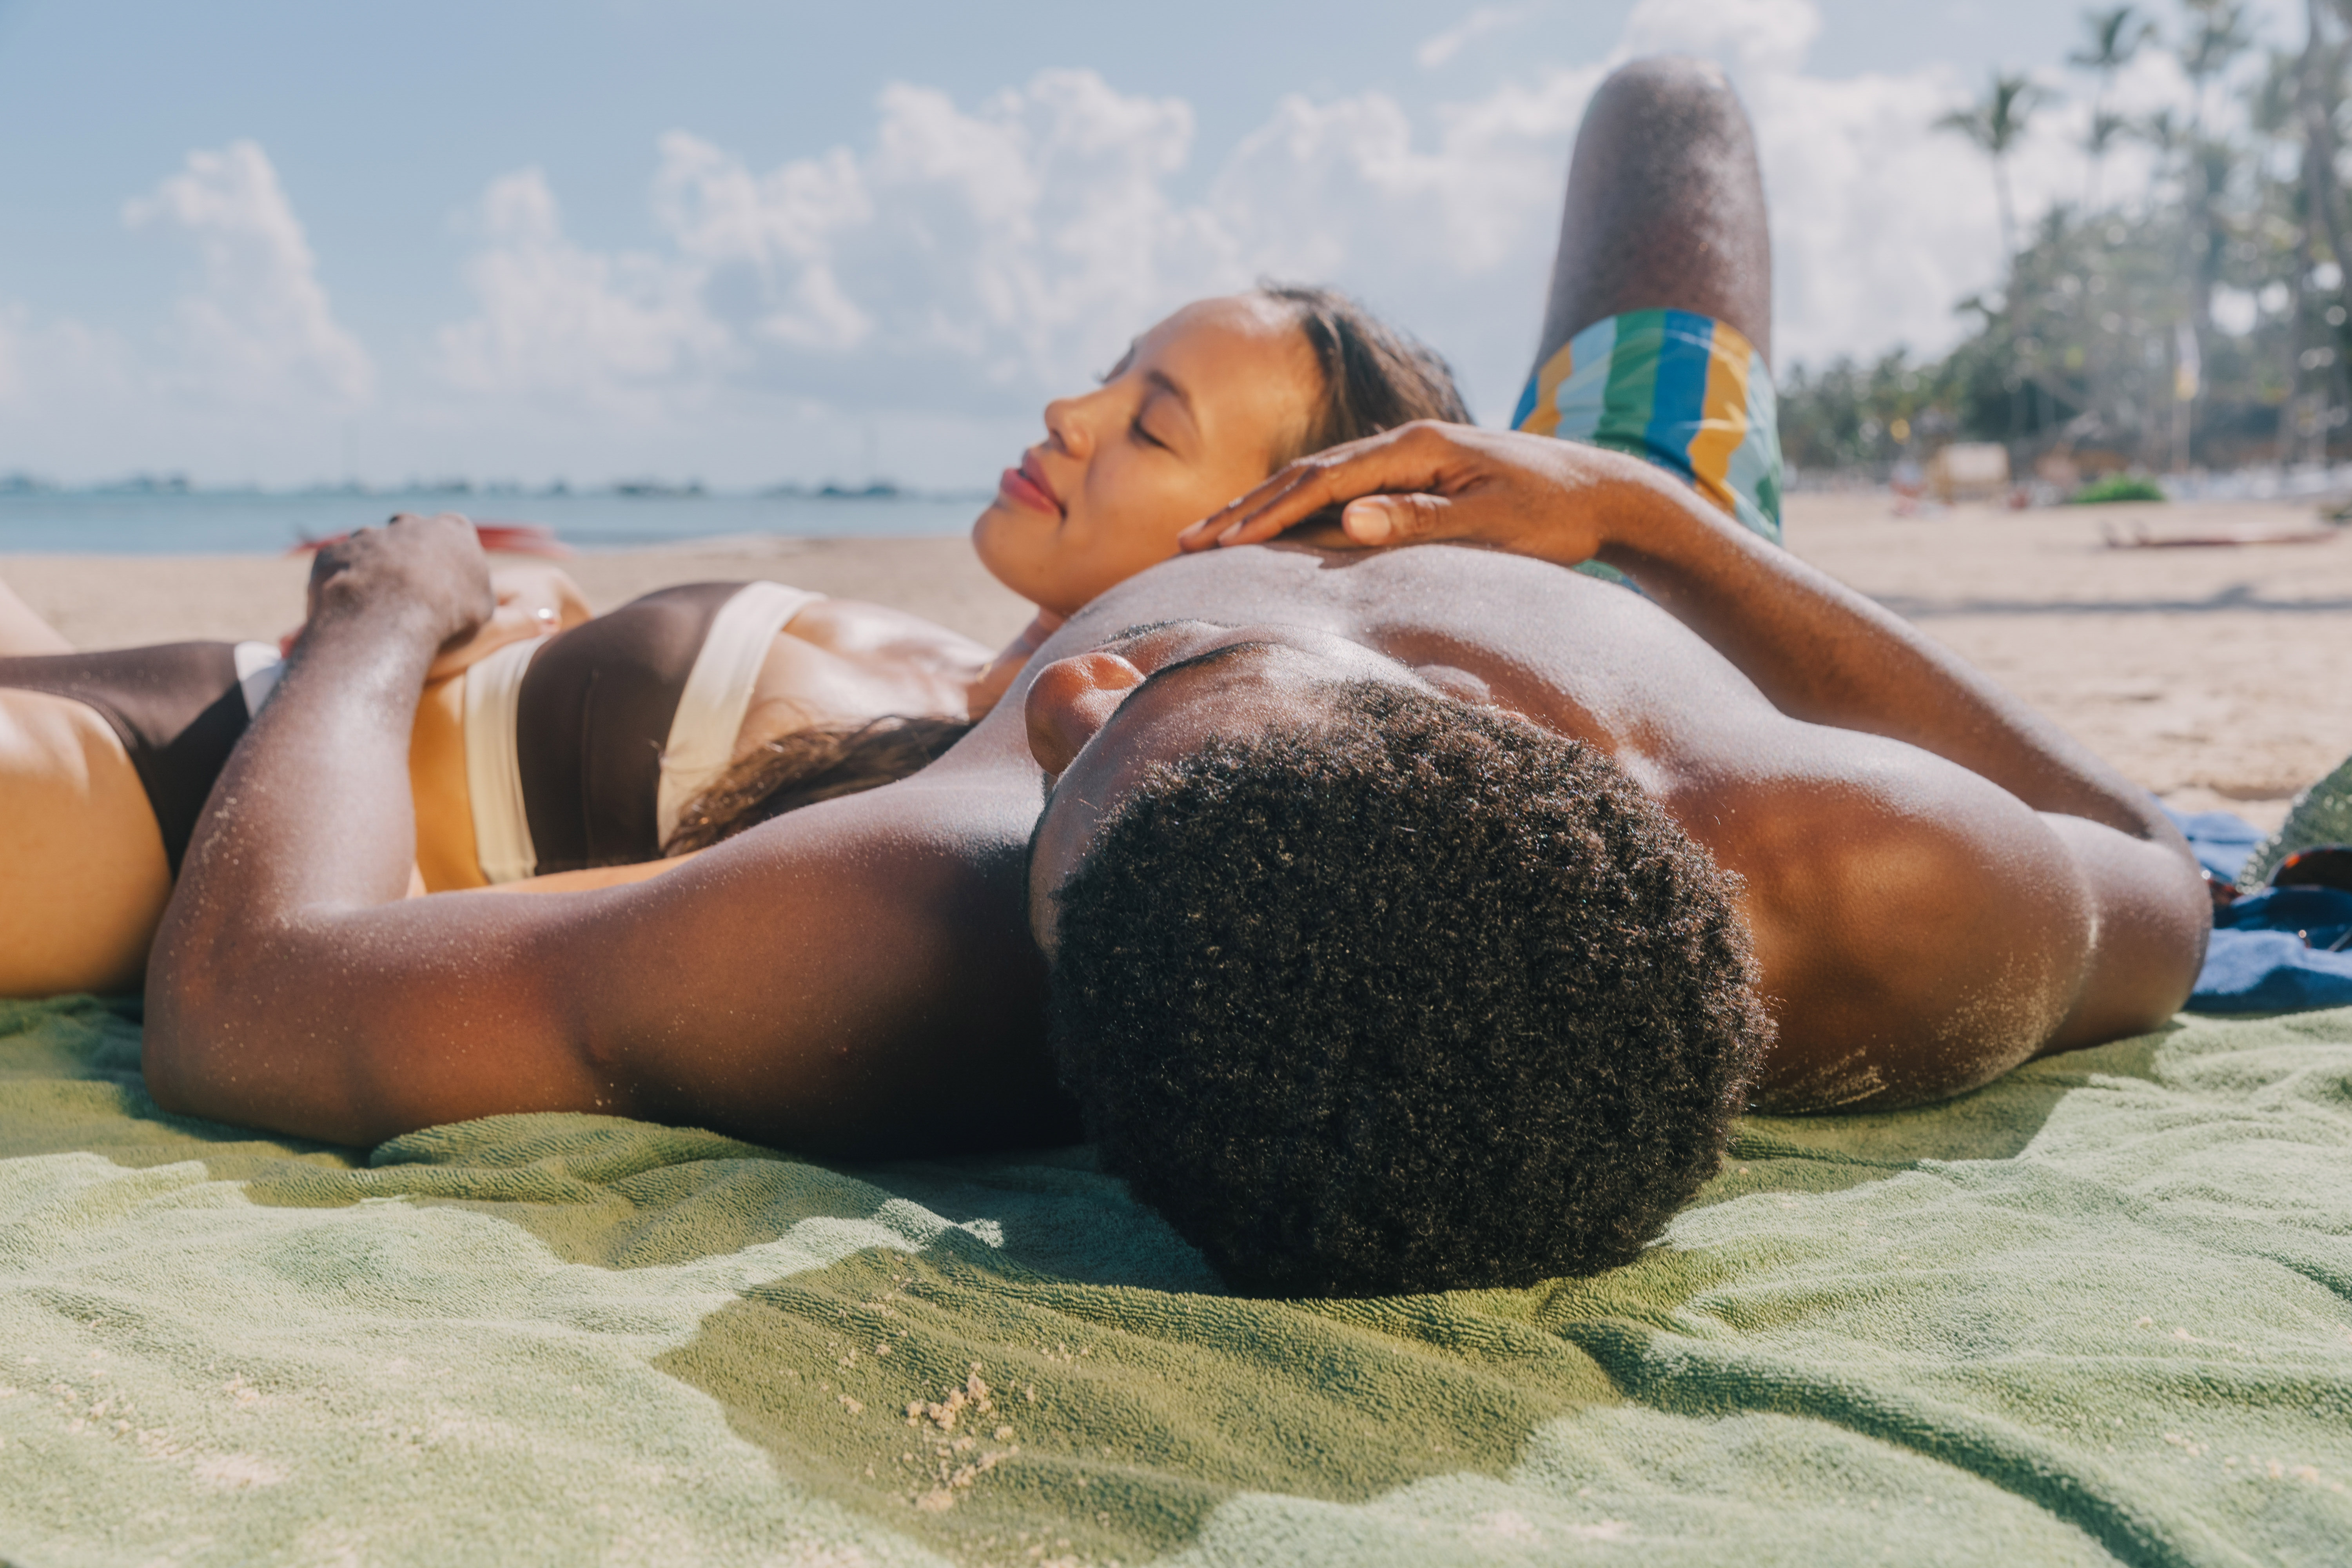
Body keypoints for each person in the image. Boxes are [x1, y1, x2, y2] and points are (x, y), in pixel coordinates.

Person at [141, 58, 2208, 1298]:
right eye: (1158, 681)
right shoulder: (1877, 882)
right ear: (1494, 744)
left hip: (1598, 587)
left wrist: (378, 626)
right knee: (1668, 107)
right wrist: (1644, 522)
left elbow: (250, 1007)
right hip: (1656, 553)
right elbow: (2157, 861)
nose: (1050, 697)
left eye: (1071, 766)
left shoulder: (912, 919)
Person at [0, 285, 1468, 997]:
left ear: (1271, 543)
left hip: (176, 822)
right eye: (1108, 375)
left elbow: (481, 929)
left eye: (1151, 424)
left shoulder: (968, 815)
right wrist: (532, 617)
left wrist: (389, 627)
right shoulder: (932, 666)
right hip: (232, 689)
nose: (1068, 416)